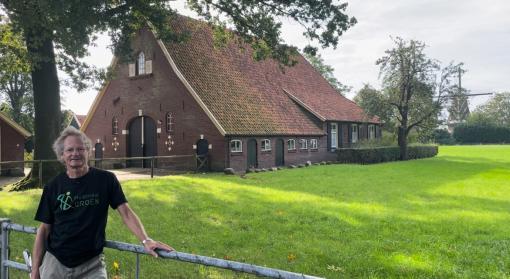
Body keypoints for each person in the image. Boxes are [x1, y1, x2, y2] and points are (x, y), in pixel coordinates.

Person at [31, 127, 174, 279]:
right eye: (69, 150)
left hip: (92, 264)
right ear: (62, 155)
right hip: (56, 262)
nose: (75, 153)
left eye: (81, 148)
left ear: (88, 151)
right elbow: (44, 230)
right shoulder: (53, 186)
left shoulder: (106, 180)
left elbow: (125, 212)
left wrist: (146, 240)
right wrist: (35, 270)